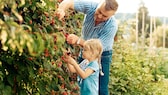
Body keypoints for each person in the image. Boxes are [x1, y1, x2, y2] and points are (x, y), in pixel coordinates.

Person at [56, 0, 118, 94]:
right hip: (86, 50)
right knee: (81, 83)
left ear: (111, 15)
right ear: (98, 5)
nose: (100, 16)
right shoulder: (91, 6)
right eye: (99, 11)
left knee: (102, 87)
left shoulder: (112, 26)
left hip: (102, 53)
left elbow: (97, 48)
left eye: (105, 16)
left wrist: (78, 41)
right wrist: (61, 10)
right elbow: (68, 2)